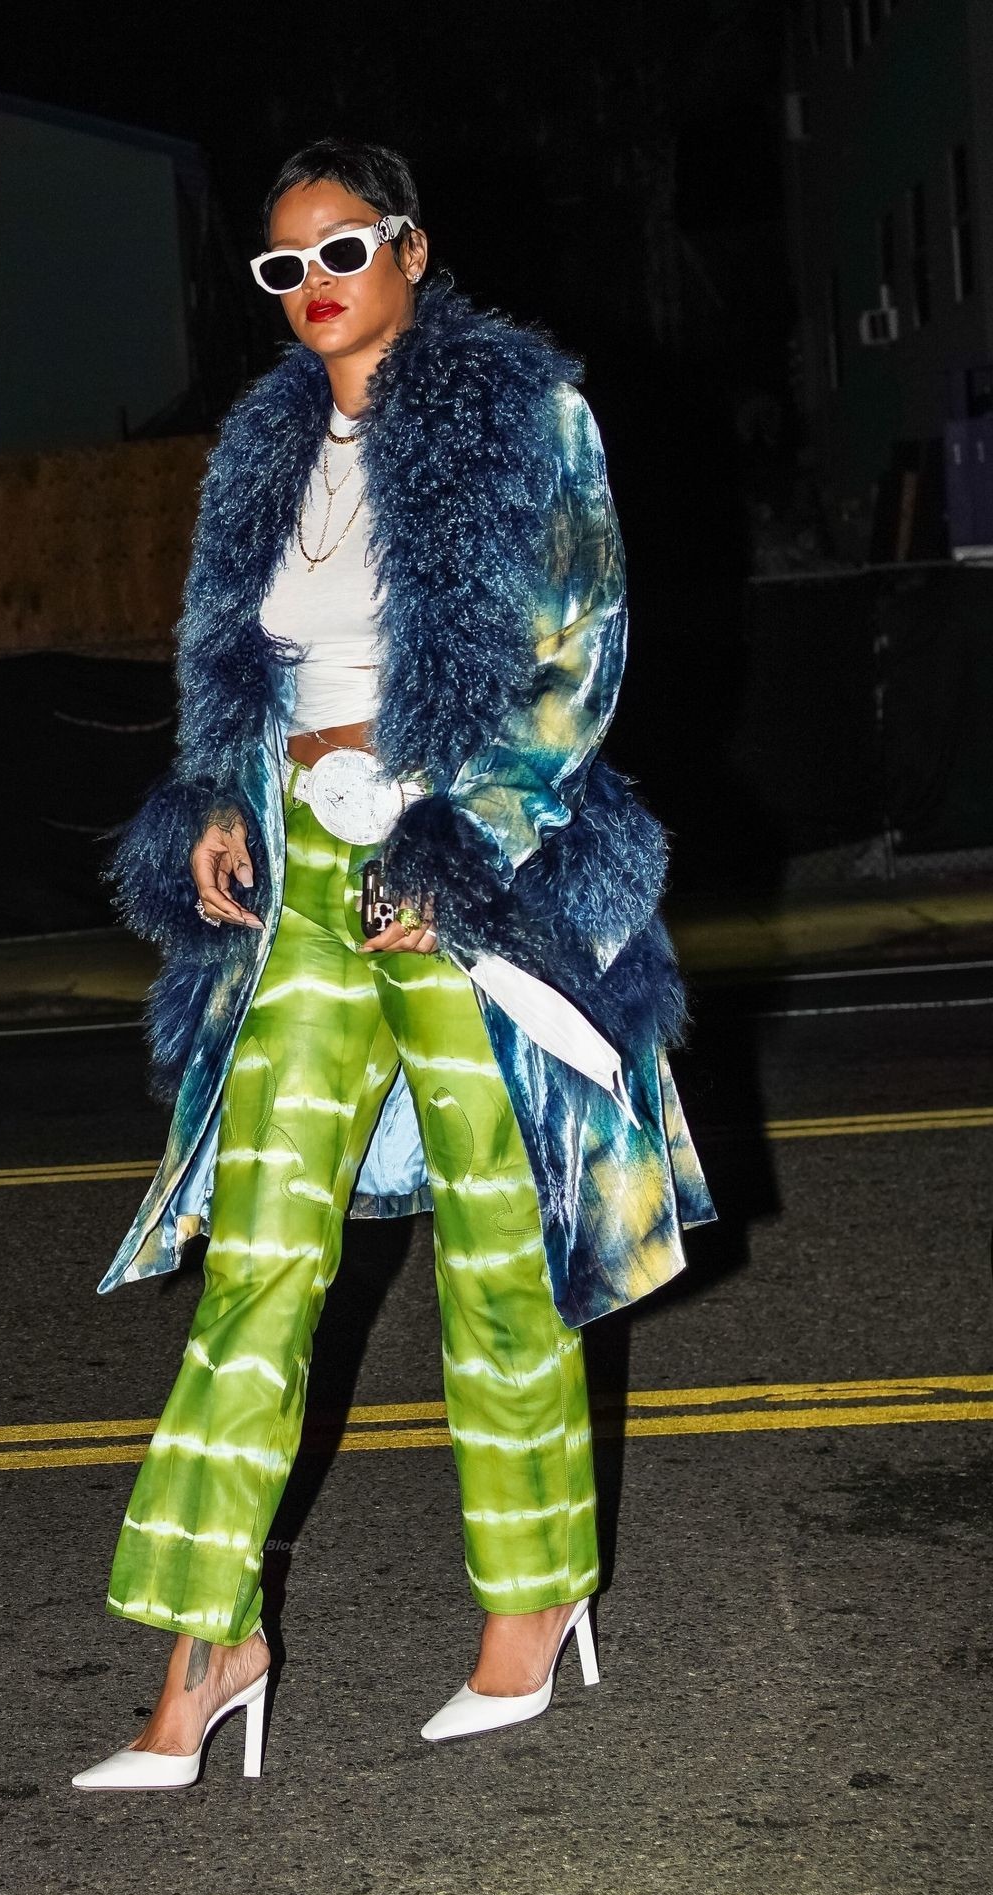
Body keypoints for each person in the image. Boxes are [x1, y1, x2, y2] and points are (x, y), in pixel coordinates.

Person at [72, 137, 714, 1792]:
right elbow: (230, 666)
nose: (315, 285)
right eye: (284, 265)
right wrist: (216, 798)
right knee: (257, 1261)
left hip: (456, 865)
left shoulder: (527, 416)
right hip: (299, 873)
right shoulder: (264, 446)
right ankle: (205, 1645)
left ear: (411, 249)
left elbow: (578, 657)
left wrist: (463, 842)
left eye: (343, 248)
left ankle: (533, 1598)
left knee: (499, 1248)